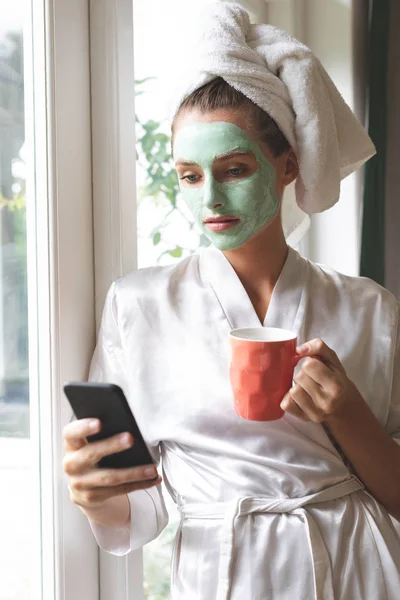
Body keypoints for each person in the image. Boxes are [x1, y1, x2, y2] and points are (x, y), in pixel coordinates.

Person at [62, 3, 400, 599]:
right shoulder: (140, 306)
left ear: (288, 165)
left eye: (235, 168)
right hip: (224, 577)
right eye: (189, 175)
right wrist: (97, 497)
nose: (210, 197)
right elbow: (138, 516)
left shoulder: (368, 307)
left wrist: (346, 410)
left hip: (356, 569)